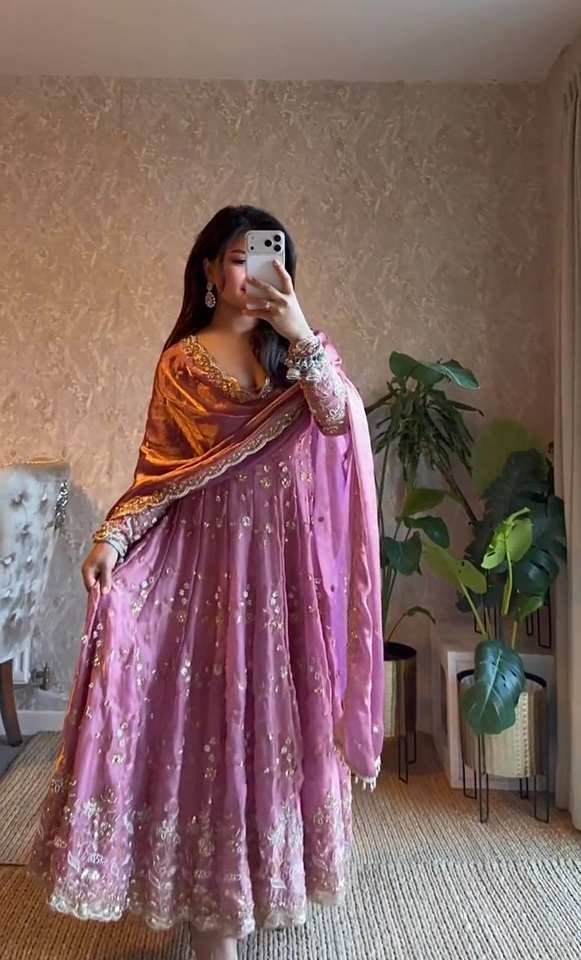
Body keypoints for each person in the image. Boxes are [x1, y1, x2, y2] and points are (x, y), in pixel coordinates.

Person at [27, 205, 384, 960]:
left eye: (269, 257)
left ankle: (252, 885)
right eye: (239, 257)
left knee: (270, 734)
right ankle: (207, 908)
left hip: (280, 583)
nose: (254, 271)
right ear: (210, 270)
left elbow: (337, 421)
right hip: (201, 576)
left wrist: (297, 328)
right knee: (207, 734)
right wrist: (111, 537)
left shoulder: (300, 355)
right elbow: (157, 472)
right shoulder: (183, 364)